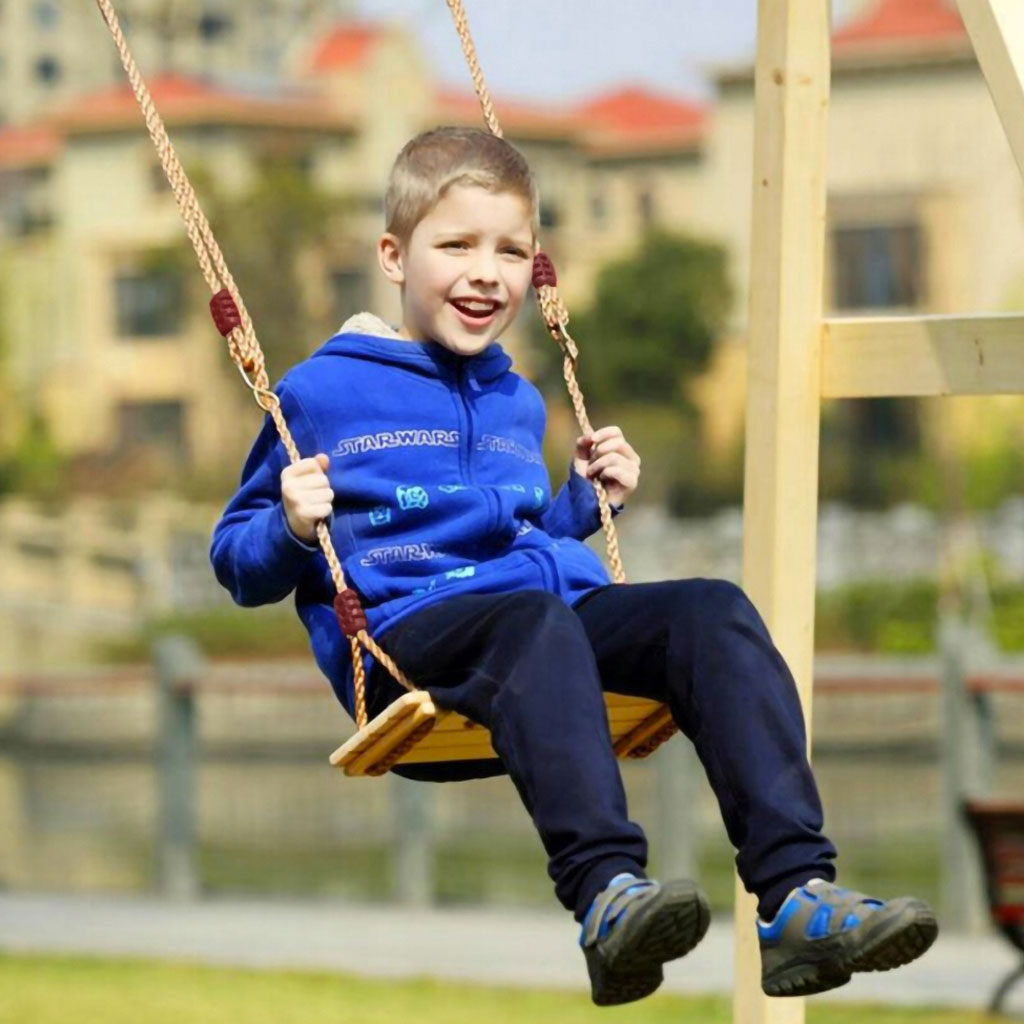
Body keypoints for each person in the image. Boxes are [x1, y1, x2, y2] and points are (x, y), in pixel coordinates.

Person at [211, 126, 938, 1006]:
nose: (488, 272)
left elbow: (513, 535)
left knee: (711, 610)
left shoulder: (515, 393)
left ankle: (793, 895)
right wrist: (290, 525)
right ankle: (605, 896)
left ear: (537, 268)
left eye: (512, 251)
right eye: (459, 246)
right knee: (531, 622)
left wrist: (582, 509)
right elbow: (236, 559)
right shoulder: (322, 392)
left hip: (531, 627)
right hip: (410, 637)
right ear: (394, 256)